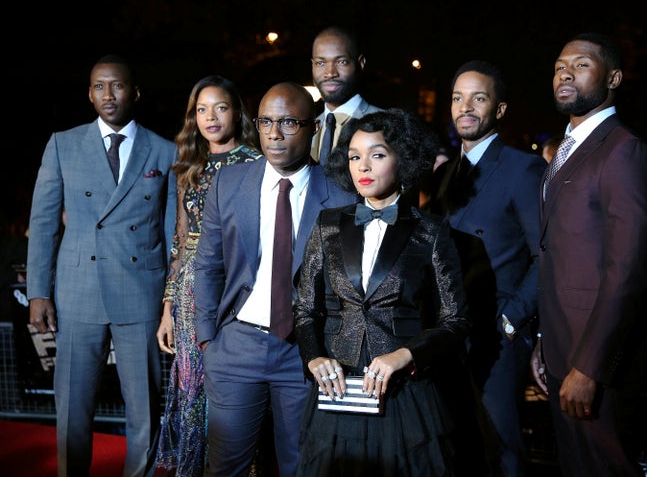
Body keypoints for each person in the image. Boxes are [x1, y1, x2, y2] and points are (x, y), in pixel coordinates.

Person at [293, 108, 470, 476]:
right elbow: (305, 310)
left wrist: (405, 355)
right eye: (355, 156)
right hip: (338, 389)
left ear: (401, 160)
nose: (364, 167)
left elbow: (456, 323)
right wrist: (312, 358)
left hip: (404, 393)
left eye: (377, 154)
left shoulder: (430, 231)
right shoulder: (327, 225)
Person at [192, 82, 356, 476]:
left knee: (300, 466)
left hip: (307, 354)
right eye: (265, 121)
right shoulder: (229, 184)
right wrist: (207, 339)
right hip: (236, 346)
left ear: (314, 128)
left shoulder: (341, 194)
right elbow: (208, 264)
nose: (274, 134)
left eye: (288, 122)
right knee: (225, 467)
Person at [26, 54, 177, 477]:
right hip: (78, 290)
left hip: (141, 294)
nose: (108, 95)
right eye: (99, 87)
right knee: (72, 406)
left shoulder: (164, 150)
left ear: (135, 92)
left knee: (144, 408)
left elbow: (171, 236)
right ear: (89, 94)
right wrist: (39, 291)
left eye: (117, 86)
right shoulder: (63, 144)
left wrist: (169, 302)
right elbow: (42, 222)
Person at [529, 33, 647, 476]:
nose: (565, 72)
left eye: (581, 64)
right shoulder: (565, 153)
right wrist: (547, 343)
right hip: (560, 351)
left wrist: (588, 367)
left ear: (614, 78)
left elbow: (626, 272)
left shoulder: (624, 151)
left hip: (597, 367)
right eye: (558, 65)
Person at [428, 60, 547, 476]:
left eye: (478, 98)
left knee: (499, 447)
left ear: (498, 109)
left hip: (496, 336)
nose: (465, 107)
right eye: (458, 98)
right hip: (448, 335)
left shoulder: (523, 169)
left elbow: (545, 256)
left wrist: (512, 321)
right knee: (455, 447)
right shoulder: (446, 176)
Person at [155, 75, 262, 476]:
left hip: (237, 287)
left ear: (237, 111)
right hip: (188, 296)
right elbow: (180, 241)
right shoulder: (189, 165)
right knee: (191, 388)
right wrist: (167, 308)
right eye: (202, 109)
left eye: (220, 107)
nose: (211, 117)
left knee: (233, 387)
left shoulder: (256, 162)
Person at [310, 25, 383, 167]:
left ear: (360, 63)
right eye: (320, 63)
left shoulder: (386, 124)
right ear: (312, 65)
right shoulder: (307, 130)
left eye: (341, 62)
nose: (330, 73)